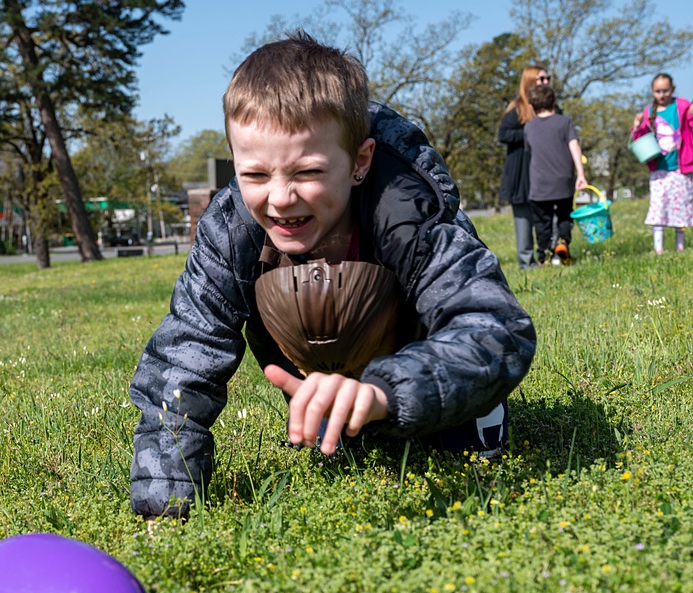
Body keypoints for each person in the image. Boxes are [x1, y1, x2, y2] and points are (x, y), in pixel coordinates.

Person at [129, 32, 536, 518]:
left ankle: (447, 412)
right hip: (317, 374)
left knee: (462, 445)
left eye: (308, 172)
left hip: (414, 365)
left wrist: (385, 391)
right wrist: (163, 508)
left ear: (360, 162)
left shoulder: (410, 211)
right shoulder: (231, 228)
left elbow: (494, 330)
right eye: (255, 175)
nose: (280, 198)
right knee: (343, 443)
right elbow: (183, 361)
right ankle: (332, 408)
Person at [523, 84, 587, 266]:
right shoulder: (564, 122)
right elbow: (574, 146)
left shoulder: (528, 127)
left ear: (531, 106)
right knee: (565, 215)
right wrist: (580, 174)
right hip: (563, 181)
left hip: (539, 184)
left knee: (542, 222)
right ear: (553, 102)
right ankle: (562, 242)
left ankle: (544, 255)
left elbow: (529, 151)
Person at [630, 73, 693, 254]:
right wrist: (636, 126)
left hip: (681, 168)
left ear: (672, 90)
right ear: (652, 91)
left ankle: (680, 247)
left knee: (680, 209)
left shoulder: (681, 106)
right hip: (659, 169)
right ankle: (659, 249)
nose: (662, 94)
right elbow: (639, 136)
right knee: (659, 208)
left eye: (665, 90)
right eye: (658, 91)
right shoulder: (649, 111)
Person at [498, 65, 551, 270]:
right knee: (523, 220)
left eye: (547, 78)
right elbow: (503, 135)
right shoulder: (517, 108)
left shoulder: (551, 107)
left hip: (545, 170)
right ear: (529, 81)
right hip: (521, 172)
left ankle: (549, 256)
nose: (546, 82)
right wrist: (531, 134)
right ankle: (526, 262)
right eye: (541, 79)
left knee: (548, 216)